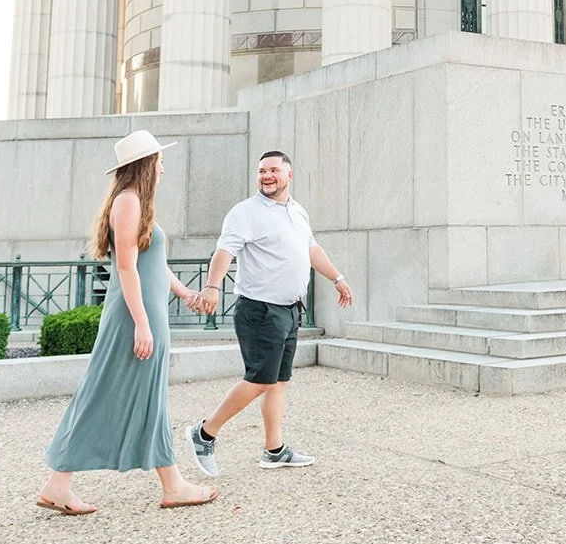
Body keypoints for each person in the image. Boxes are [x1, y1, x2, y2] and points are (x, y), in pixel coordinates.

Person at [36, 129, 220, 515]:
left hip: (145, 314)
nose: (164, 167)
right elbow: (125, 267)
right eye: (160, 160)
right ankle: (170, 484)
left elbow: (155, 265)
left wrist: (186, 294)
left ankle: (63, 485)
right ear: (147, 164)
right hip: (134, 317)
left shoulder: (137, 203)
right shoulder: (128, 202)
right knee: (108, 394)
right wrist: (141, 323)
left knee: (142, 397)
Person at [182, 150, 352, 475]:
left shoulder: (297, 212)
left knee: (277, 383)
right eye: (262, 171)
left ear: (290, 175)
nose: (266, 176)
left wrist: (337, 278)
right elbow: (225, 251)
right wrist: (212, 287)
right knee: (260, 380)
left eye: (273, 169)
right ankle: (204, 433)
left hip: (289, 309)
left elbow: (311, 249)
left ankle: (274, 451)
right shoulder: (245, 212)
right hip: (260, 310)